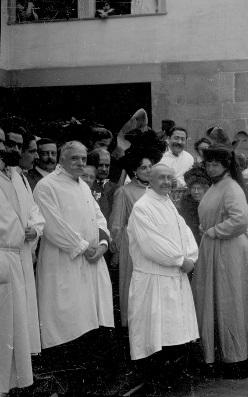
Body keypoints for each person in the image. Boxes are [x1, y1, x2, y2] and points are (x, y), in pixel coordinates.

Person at [33, 141, 114, 350]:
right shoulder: (47, 186)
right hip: (64, 262)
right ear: (62, 159)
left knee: (91, 322)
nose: (80, 163)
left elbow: (99, 218)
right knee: (67, 323)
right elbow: (53, 226)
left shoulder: (83, 186)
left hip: (91, 260)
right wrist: (83, 246)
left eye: (84, 159)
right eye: (75, 158)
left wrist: (103, 245)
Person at [192, 144, 248, 377]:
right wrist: (206, 227)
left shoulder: (231, 187)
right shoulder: (216, 187)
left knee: (230, 300)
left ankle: (236, 358)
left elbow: (241, 219)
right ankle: (220, 355)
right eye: (208, 164)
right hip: (215, 247)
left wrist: (214, 230)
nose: (211, 168)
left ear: (225, 165)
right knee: (217, 300)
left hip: (228, 249)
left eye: (216, 164)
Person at [126, 164, 199, 379]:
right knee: (155, 334)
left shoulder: (168, 203)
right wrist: (179, 260)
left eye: (170, 177)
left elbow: (185, 233)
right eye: (162, 178)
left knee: (173, 331)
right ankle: (156, 379)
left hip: (174, 275)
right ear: (150, 179)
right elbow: (151, 244)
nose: (167, 181)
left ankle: (171, 376)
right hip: (154, 278)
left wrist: (191, 257)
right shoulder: (143, 207)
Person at [0, 128, 44, 396]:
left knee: (15, 326)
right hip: (4, 255)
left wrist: (35, 229)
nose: (12, 149)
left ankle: (10, 383)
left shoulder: (16, 176)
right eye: (6, 143)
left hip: (19, 256)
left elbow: (33, 211)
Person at [109, 149, 157, 326]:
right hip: (133, 247)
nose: (148, 170)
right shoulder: (124, 192)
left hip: (155, 247)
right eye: (143, 167)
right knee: (134, 287)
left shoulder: (156, 191)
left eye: (150, 166)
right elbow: (116, 225)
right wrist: (117, 250)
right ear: (134, 171)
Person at [178, 165, 210, 245]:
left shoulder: (211, 202)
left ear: (205, 189)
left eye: (199, 188)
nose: (196, 192)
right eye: (193, 188)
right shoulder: (186, 203)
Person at [88, 148, 118, 221]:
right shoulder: (86, 186)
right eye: (100, 165)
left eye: (107, 166)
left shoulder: (116, 188)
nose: (104, 169)